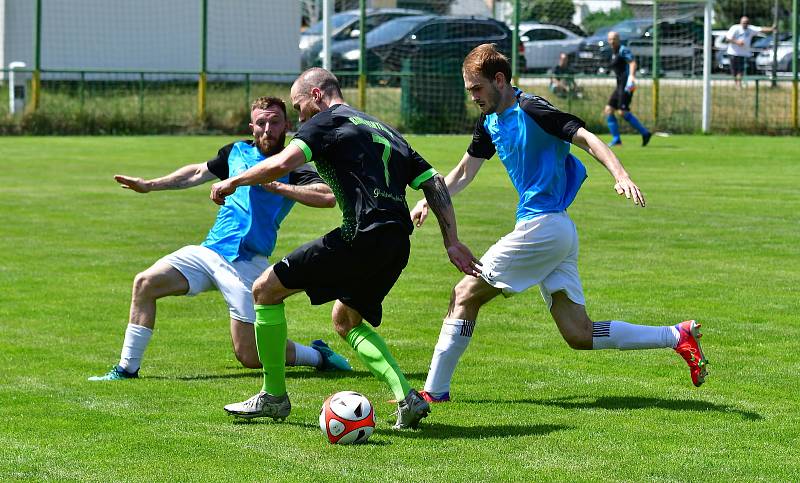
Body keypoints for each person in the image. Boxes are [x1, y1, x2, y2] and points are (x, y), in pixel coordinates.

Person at [410, 44, 709, 404]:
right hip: (557, 232)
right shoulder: (488, 122)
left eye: (476, 88)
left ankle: (433, 392)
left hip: (543, 228)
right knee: (578, 333)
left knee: (463, 294)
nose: (472, 95)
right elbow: (462, 172)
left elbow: (585, 138)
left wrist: (620, 174)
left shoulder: (532, 109)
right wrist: (429, 199)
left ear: (499, 80)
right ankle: (676, 337)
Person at [210, 68, 480, 429]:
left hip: (361, 235)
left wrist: (234, 180)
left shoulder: (325, 121)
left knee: (264, 290)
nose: (298, 117)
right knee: (345, 319)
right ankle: (407, 398)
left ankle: (273, 397)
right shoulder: (384, 128)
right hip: (397, 241)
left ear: (317, 95)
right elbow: (433, 182)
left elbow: (283, 163)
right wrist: (452, 241)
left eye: (299, 106)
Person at [89, 96, 353, 381]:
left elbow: (327, 197)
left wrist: (276, 186)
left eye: (275, 122)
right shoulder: (236, 152)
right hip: (209, 252)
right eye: (261, 123)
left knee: (250, 357)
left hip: (247, 264)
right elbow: (198, 172)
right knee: (145, 283)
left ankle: (317, 355)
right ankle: (127, 369)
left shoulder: (292, 163)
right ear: (251, 127)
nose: (267, 129)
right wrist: (150, 185)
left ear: (287, 125)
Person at [603, 31, 651, 148]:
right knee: (609, 110)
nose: (612, 41)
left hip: (626, 85)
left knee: (623, 112)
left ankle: (645, 133)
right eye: (610, 39)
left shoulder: (623, 50)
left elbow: (633, 63)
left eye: (614, 39)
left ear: (618, 39)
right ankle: (617, 139)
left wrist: (632, 77)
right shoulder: (613, 52)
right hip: (619, 85)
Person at [726, 16, 775, 89]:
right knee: (734, 70)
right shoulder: (734, 28)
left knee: (741, 70)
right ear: (740, 22)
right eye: (744, 23)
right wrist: (737, 42)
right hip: (733, 53)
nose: (745, 24)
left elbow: (761, 29)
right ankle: (736, 83)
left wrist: (771, 29)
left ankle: (738, 84)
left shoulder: (750, 29)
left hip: (743, 54)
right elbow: (728, 39)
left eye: (746, 23)